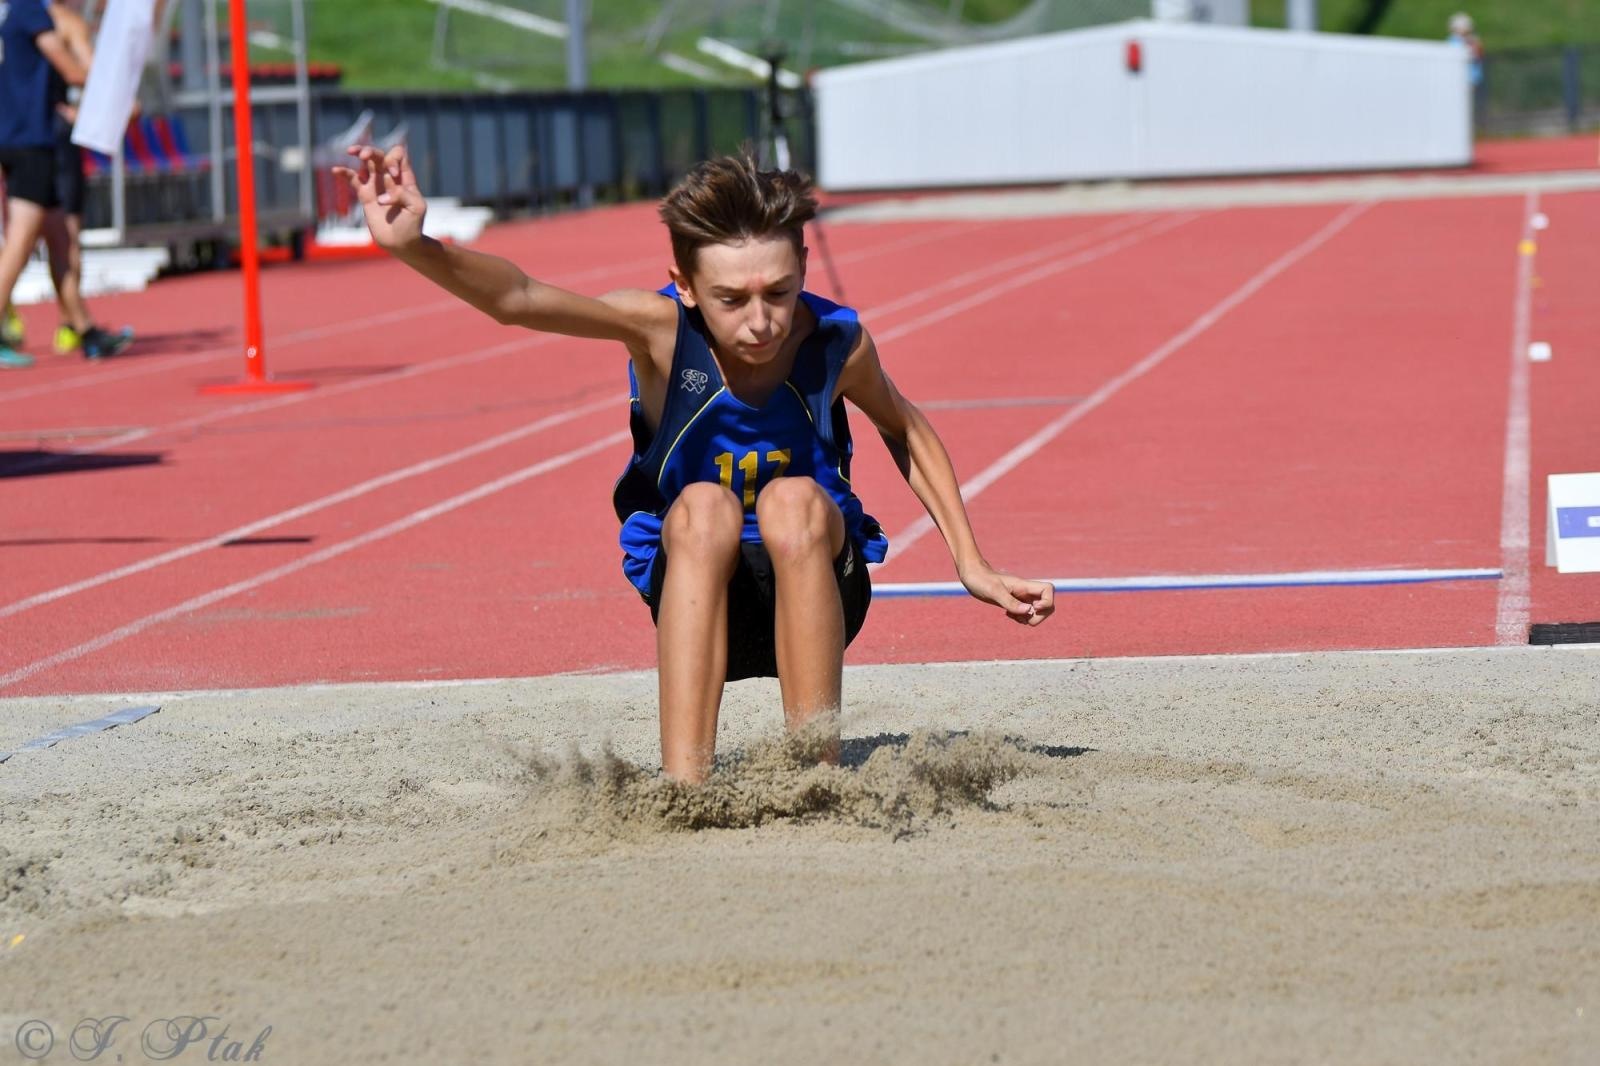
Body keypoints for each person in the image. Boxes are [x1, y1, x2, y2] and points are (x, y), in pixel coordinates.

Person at [333, 146, 1057, 784]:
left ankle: (817, 774)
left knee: (793, 500)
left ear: (803, 266)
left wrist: (971, 561)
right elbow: (521, 298)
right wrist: (415, 246)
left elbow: (908, 429)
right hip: (695, 589)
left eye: (779, 291)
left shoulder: (836, 343)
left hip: (818, 586)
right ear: (683, 285)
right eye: (731, 299)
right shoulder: (656, 334)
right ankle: (684, 789)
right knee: (704, 506)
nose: (760, 321)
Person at [41, 0, 133, 359]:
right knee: (63, 237)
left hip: (20, 135)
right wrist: (120, 96)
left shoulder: (15, 17)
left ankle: (73, 323)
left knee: (38, 236)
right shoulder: (62, 23)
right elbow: (86, 72)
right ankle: (72, 325)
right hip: (47, 140)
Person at [0, 0, 85, 368]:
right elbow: (69, 69)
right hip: (29, 139)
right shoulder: (29, 9)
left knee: (60, 238)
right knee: (19, 243)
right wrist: (114, 91)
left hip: (17, 134)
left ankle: (85, 327)